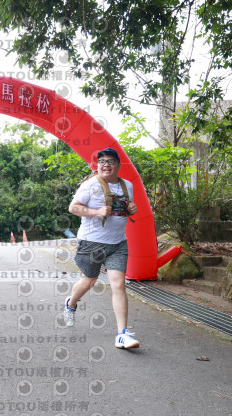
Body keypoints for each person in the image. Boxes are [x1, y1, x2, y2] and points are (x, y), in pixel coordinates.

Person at [64, 147, 140, 349]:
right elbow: (73, 207)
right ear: (98, 166)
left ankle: (122, 334)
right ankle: (71, 303)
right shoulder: (90, 185)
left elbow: (126, 209)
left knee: (119, 285)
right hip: (92, 243)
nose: (106, 165)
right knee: (89, 281)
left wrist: (132, 208)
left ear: (118, 165)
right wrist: (96, 211)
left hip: (118, 244)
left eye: (110, 161)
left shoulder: (127, 185)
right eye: (102, 162)